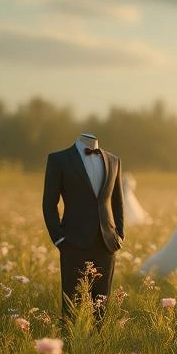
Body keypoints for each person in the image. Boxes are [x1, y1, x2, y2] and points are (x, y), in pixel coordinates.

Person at [43, 132, 124, 322]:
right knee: (72, 306)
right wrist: (59, 238)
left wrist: (120, 234)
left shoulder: (114, 160)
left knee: (101, 306)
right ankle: (70, 347)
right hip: (72, 241)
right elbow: (49, 203)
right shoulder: (58, 159)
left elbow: (118, 201)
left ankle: (98, 347)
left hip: (106, 242)